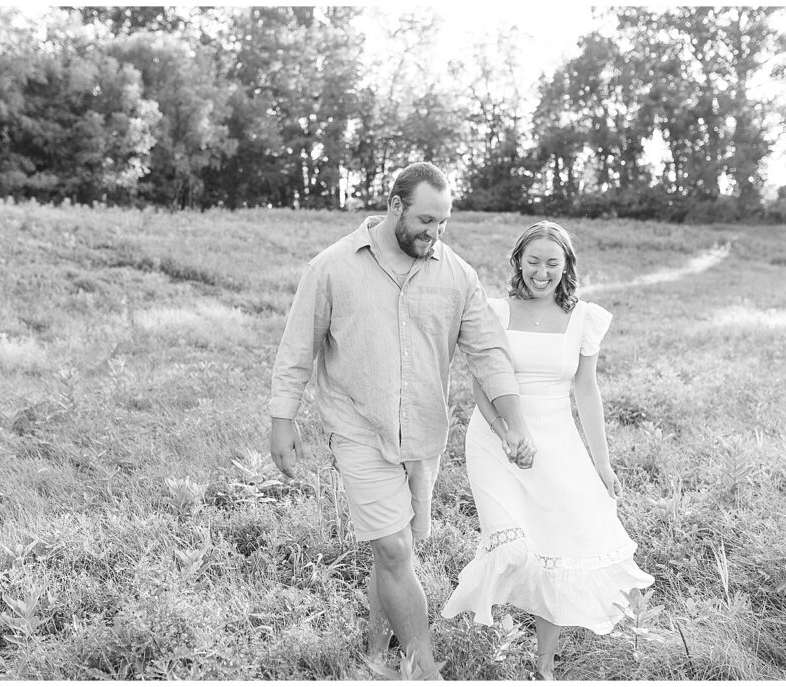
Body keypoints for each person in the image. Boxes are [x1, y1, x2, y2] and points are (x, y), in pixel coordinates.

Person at [269, 162, 536, 677]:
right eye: (426, 220)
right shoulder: (331, 268)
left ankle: (375, 651)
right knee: (393, 547)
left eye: (444, 223)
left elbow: (489, 353)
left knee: (399, 546)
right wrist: (283, 419)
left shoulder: (456, 274)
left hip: (423, 432)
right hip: (357, 427)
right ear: (394, 206)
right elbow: (296, 350)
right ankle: (425, 669)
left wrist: (514, 422)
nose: (435, 234)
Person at [441, 221, 654, 680]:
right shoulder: (494, 312)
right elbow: (480, 385)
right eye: (533, 261)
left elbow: (587, 392)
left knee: (554, 552)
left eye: (552, 263)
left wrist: (602, 463)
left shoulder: (583, 317)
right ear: (518, 261)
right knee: (514, 550)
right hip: (494, 439)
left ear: (566, 266)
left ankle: (544, 667)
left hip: (557, 442)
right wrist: (505, 434)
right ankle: (476, 621)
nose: (542, 272)